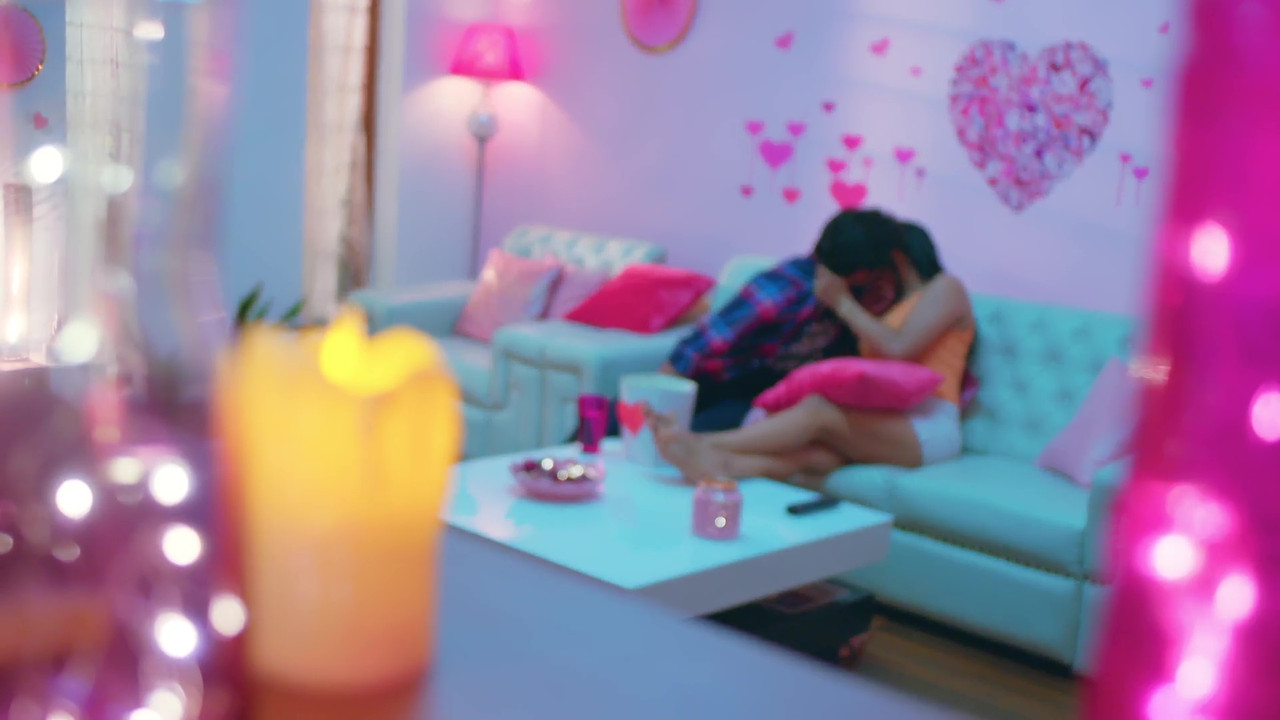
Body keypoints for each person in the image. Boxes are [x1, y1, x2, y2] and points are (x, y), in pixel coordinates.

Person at [645, 221, 975, 482]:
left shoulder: (946, 288)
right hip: (884, 421)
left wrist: (841, 301)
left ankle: (704, 443)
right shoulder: (884, 308)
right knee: (815, 457)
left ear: (899, 257)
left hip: (928, 426)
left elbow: (898, 349)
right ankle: (724, 465)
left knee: (818, 411)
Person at [660, 209, 907, 432]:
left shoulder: (856, 298)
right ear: (862, 271)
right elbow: (695, 350)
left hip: (776, 395)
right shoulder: (786, 290)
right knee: (688, 433)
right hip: (724, 386)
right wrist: (656, 401)